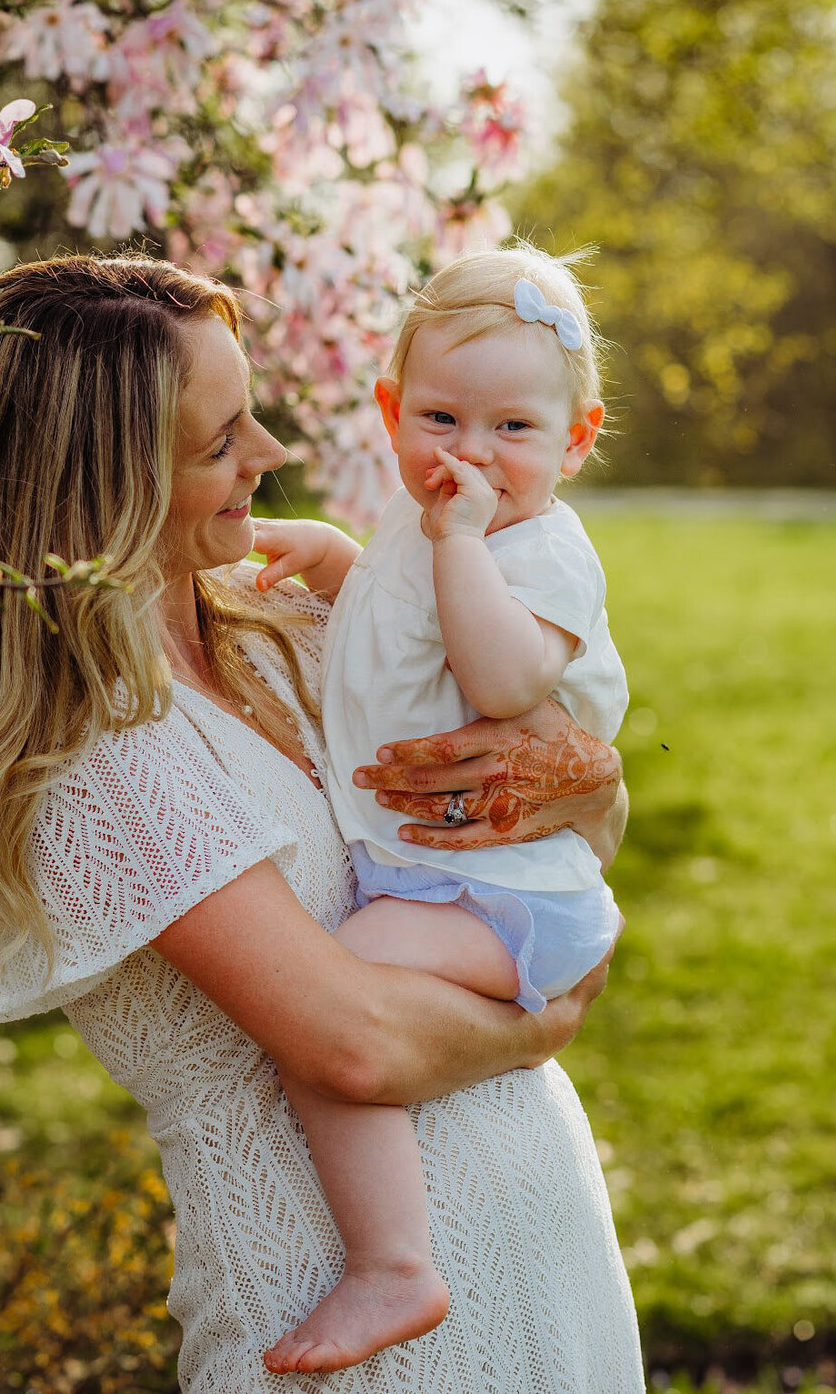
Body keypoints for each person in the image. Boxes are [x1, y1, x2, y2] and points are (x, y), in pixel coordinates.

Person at [0, 254, 644, 1394]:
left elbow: (544, 815)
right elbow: (353, 1043)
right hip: (347, 1329)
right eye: (223, 442)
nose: (270, 455)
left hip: (544, 1249)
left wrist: (587, 784)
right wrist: (545, 1017)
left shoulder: (289, 623)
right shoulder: (91, 757)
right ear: (103, 486)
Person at [251, 246, 627, 1373]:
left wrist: (454, 541)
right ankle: (394, 1256)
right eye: (441, 417)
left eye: (514, 429)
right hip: (455, 877)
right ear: (389, 412)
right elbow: (407, 635)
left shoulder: (543, 550)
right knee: (335, 991)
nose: (471, 452)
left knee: (335, 989)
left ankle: (393, 1263)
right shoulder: (431, 533)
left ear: (576, 438)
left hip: (512, 891)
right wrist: (343, 567)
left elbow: (505, 679)